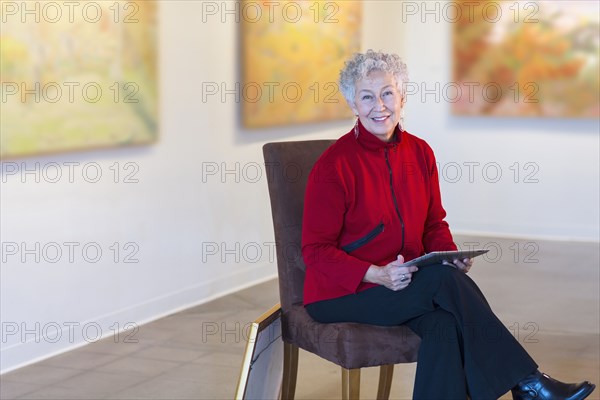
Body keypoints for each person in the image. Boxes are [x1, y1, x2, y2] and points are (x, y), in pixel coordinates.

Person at [301, 50, 596, 400]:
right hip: (344, 293)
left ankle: (526, 385)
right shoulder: (334, 166)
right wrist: (374, 273)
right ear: (353, 104)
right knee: (443, 281)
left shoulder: (420, 152)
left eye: (387, 93)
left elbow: (433, 223)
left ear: (402, 96)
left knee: (443, 325)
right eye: (366, 96)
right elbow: (315, 251)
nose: (378, 106)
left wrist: (447, 254)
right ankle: (527, 382)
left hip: (405, 282)